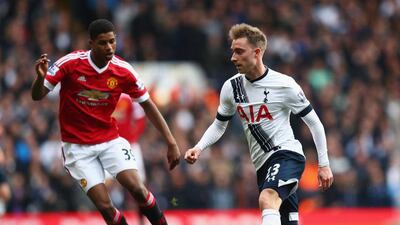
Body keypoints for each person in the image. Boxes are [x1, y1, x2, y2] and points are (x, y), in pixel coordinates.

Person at [31, 19, 180, 225]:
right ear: (91, 43)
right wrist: (40, 78)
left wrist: (171, 141)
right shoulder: (70, 63)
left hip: (109, 141)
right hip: (77, 148)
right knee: (106, 208)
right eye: (103, 43)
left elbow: (148, 105)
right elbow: (37, 95)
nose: (109, 47)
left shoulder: (123, 71)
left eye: (112, 41)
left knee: (138, 189)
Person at [184, 23, 333, 225]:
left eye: (239, 51)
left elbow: (314, 123)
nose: (233, 57)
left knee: (267, 198)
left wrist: (324, 164)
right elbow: (219, 125)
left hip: (287, 155)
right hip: (262, 165)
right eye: (232, 51)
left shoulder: (284, 84)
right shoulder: (231, 87)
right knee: (287, 220)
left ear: (257, 52)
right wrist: (199, 147)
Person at [112, 93, 147, 225]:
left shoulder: (129, 97)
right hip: (109, 144)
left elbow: (140, 119)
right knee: (108, 185)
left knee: (140, 185)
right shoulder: (103, 94)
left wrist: (133, 135)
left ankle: (141, 220)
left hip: (130, 145)